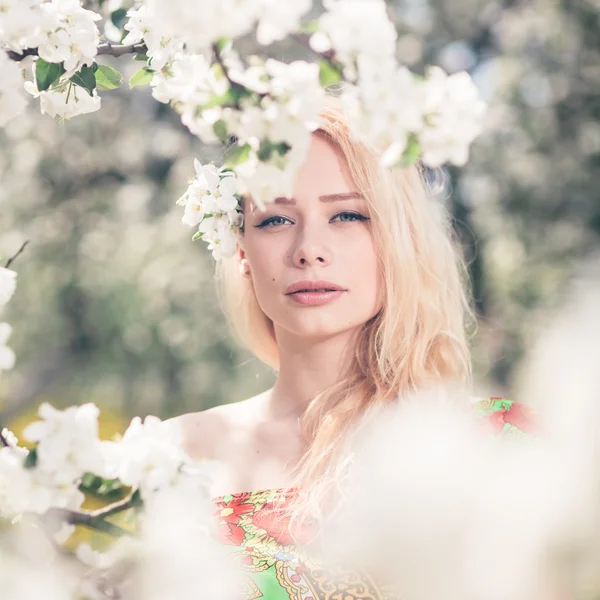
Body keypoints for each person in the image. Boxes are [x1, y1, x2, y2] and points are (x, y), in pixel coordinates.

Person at [172, 99, 535, 600]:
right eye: (276, 219)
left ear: (396, 238)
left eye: (347, 214)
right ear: (242, 253)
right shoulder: (175, 457)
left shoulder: (501, 444)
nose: (309, 248)